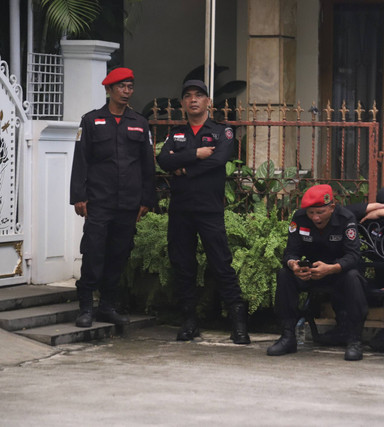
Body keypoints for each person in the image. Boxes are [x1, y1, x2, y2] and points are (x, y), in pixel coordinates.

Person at [156, 80, 250, 344]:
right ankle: (189, 321)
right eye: (188, 96)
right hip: (181, 210)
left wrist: (184, 168)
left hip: (209, 210)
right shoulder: (176, 133)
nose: (193, 100)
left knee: (221, 264)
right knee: (183, 265)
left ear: (209, 101)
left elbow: (219, 160)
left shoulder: (223, 132)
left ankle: (239, 324)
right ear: (183, 103)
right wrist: (196, 153)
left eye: (199, 95)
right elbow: (163, 160)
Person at [70, 67, 156, 328]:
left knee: (119, 254)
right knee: (94, 251)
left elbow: (146, 165)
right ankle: (86, 307)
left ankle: (107, 306)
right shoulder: (91, 120)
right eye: (121, 87)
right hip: (99, 200)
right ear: (109, 90)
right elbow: (81, 161)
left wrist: (146, 199)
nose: (126, 92)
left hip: (128, 202)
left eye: (130, 86)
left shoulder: (140, 123)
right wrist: (78, 196)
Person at [267, 184, 368, 361]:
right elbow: (290, 252)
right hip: (311, 273)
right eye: (311, 213)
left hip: (338, 273)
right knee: (284, 275)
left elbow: (353, 256)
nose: (315, 217)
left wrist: (332, 268)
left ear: (332, 207)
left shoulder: (346, 219)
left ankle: (354, 340)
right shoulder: (299, 218)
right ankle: (287, 336)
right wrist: (295, 266)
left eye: (320, 212)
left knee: (353, 278)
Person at [314, 185, 384, 347]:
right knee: (346, 278)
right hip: (379, 283)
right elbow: (340, 212)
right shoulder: (370, 222)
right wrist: (369, 208)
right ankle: (344, 328)